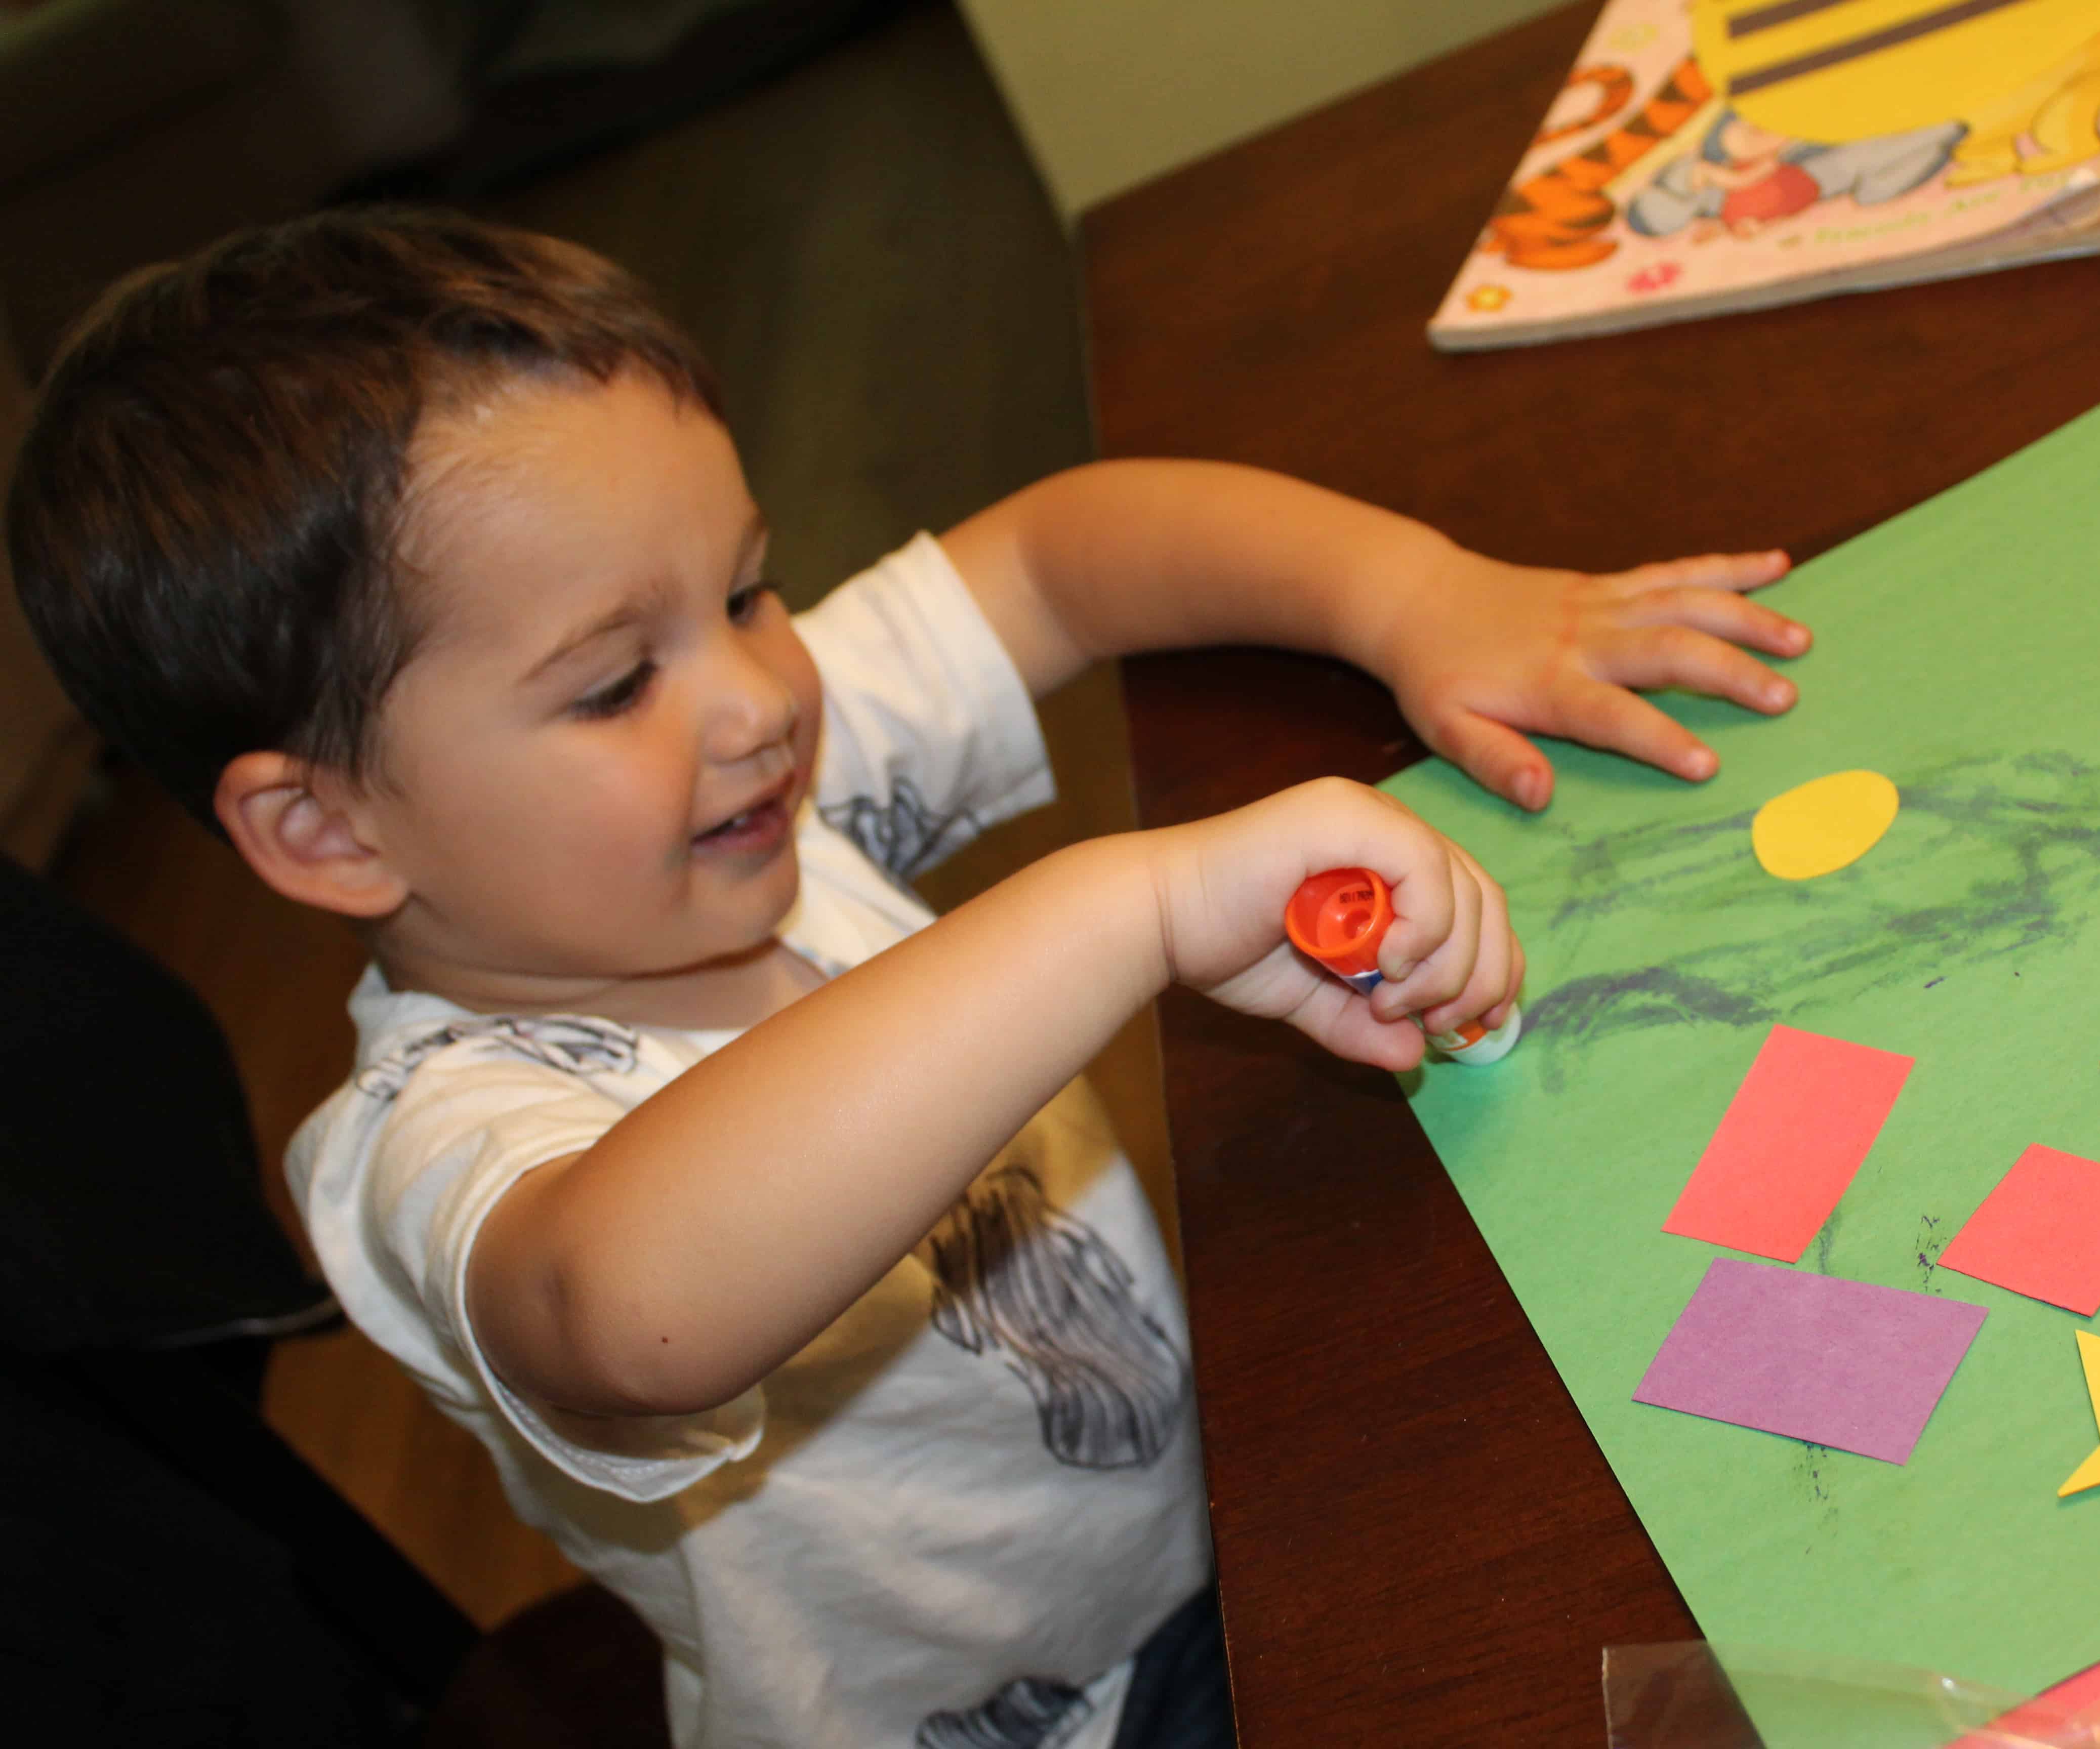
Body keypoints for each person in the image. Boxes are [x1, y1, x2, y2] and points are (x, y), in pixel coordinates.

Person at [6, 209, 1810, 1749]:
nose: (757, 697)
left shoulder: (743, 783)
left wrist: (1417, 596)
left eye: (752, 588)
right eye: (610, 682)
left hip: (1238, 1506)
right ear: (329, 837)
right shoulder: (432, 1145)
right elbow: (636, 1312)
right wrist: (1134, 908)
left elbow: (1057, 554)